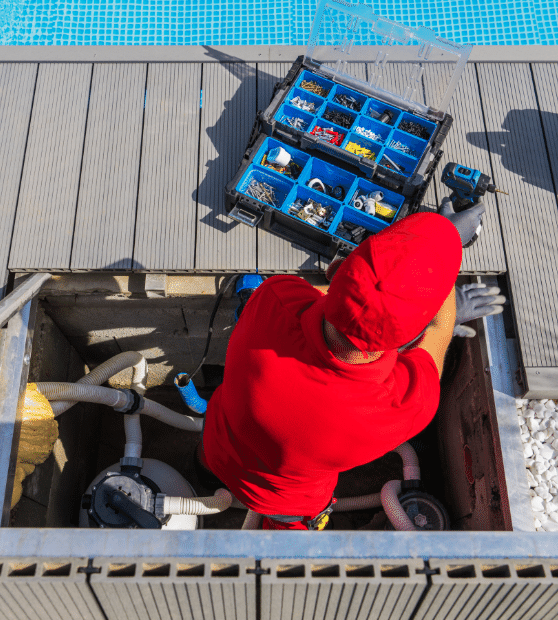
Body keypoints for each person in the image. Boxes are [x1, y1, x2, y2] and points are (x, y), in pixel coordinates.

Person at [199, 200, 505, 530]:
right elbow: (438, 334)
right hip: (286, 503)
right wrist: (445, 254)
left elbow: (344, 302)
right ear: (413, 333)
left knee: (208, 464)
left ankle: (200, 476)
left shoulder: (275, 298)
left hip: (217, 444)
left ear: (334, 269)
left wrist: (436, 238)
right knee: (289, 532)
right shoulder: (400, 407)